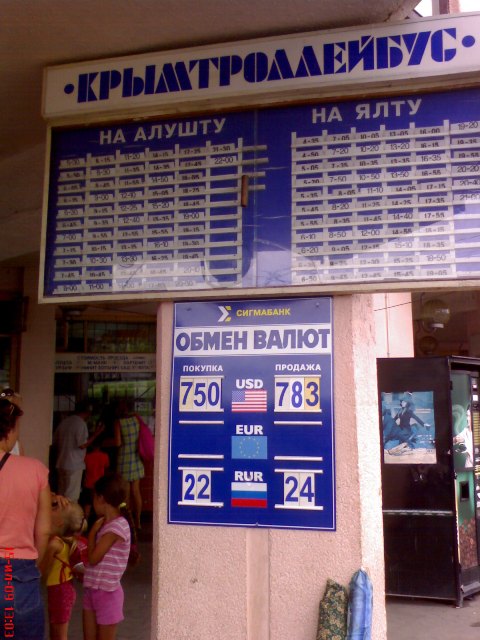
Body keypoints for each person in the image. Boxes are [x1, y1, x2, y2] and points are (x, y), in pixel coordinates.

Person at [0, 396, 51, 640]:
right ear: (9, 430)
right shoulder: (35, 470)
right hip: (17, 573)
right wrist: (32, 566)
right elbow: (44, 531)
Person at [83, 473, 133, 640]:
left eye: (94, 497)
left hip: (107, 593)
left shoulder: (116, 527)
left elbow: (94, 558)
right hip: (92, 588)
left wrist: (91, 534)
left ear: (101, 498)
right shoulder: (105, 524)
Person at [40, 498, 86, 640]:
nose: (50, 509)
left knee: (59, 635)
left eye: (55, 508)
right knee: (56, 632)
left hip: (59, 592)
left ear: (60, 522)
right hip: (62, 590)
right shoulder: (65, 539)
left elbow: (41, 571)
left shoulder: (55, 544)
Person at [54, 400, 104, 501]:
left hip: (61, 462)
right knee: (71, 497)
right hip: (74, 465)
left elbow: (55, 441)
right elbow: (82, 445)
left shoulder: (64, 422)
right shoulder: (81, 424)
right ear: (88, 412)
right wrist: (96, 434)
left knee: (61, 496)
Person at [114, 402, 144, 529]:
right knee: (136, 491)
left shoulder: (118, 423)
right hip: (136, 459)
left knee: (125, 493)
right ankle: (138, 521)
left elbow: (118, 443)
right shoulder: (136, 420)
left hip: (124, 460)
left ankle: (127, 522)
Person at [81, 443, 110, 519]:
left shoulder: (87, 457)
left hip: (88, 484)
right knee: (100, 508)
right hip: (100, 485)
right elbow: (107, 467)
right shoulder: (104, 456)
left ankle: (85, 523)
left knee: (87, 507)